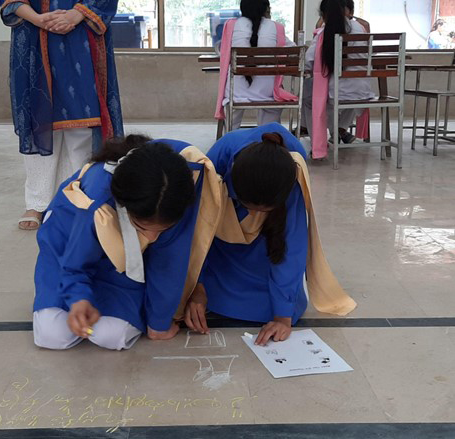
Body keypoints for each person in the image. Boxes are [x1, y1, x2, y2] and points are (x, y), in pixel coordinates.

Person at [33, 135, 221, 350]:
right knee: (53, 334)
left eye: (161, 231)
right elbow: (76, 258)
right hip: (67, 253)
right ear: (123, 206)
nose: (151, 239)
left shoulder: (178, 190)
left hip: (125, 269)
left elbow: (170, 259)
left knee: (112, 336)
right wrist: (78, 298)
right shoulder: (98, 200)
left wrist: (158, 323)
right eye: (142, 228)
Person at [184, 124, 357, 346]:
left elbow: (292, 243)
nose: (255, 216)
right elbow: (200, 228)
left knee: (279, 304)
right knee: (207, 292)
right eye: (250, 207)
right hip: (222, 238)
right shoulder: (220, 156)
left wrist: (282, 318)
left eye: (262, 211)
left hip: (267, 242)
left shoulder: (291, 169)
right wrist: (196, 288)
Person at [0, 0, 123, 230]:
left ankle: (82, 197)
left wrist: (76, 14)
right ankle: (37, 201)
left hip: (81, 31)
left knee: (83, 121)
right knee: (39, 122)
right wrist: (36, 18)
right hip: (32, 31)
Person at [302, 0, 376, 159]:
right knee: (348, 94)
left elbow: (308, 61)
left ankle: (319, 143)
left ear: (324, 15)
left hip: (337, 93)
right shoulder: (361, 28)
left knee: (309, 98)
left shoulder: (324, 32)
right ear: (346, 11)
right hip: (363, 91)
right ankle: (340, 131)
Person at [215, 0, 297, 131]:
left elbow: (223, 52)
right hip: (267, 92)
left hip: (236, 92)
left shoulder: (231, 26)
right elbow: (294, 52)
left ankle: (231, 136)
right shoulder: (277, 27)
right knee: (272, 104)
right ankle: (268, 136)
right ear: (266, 9)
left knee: (232, 100)